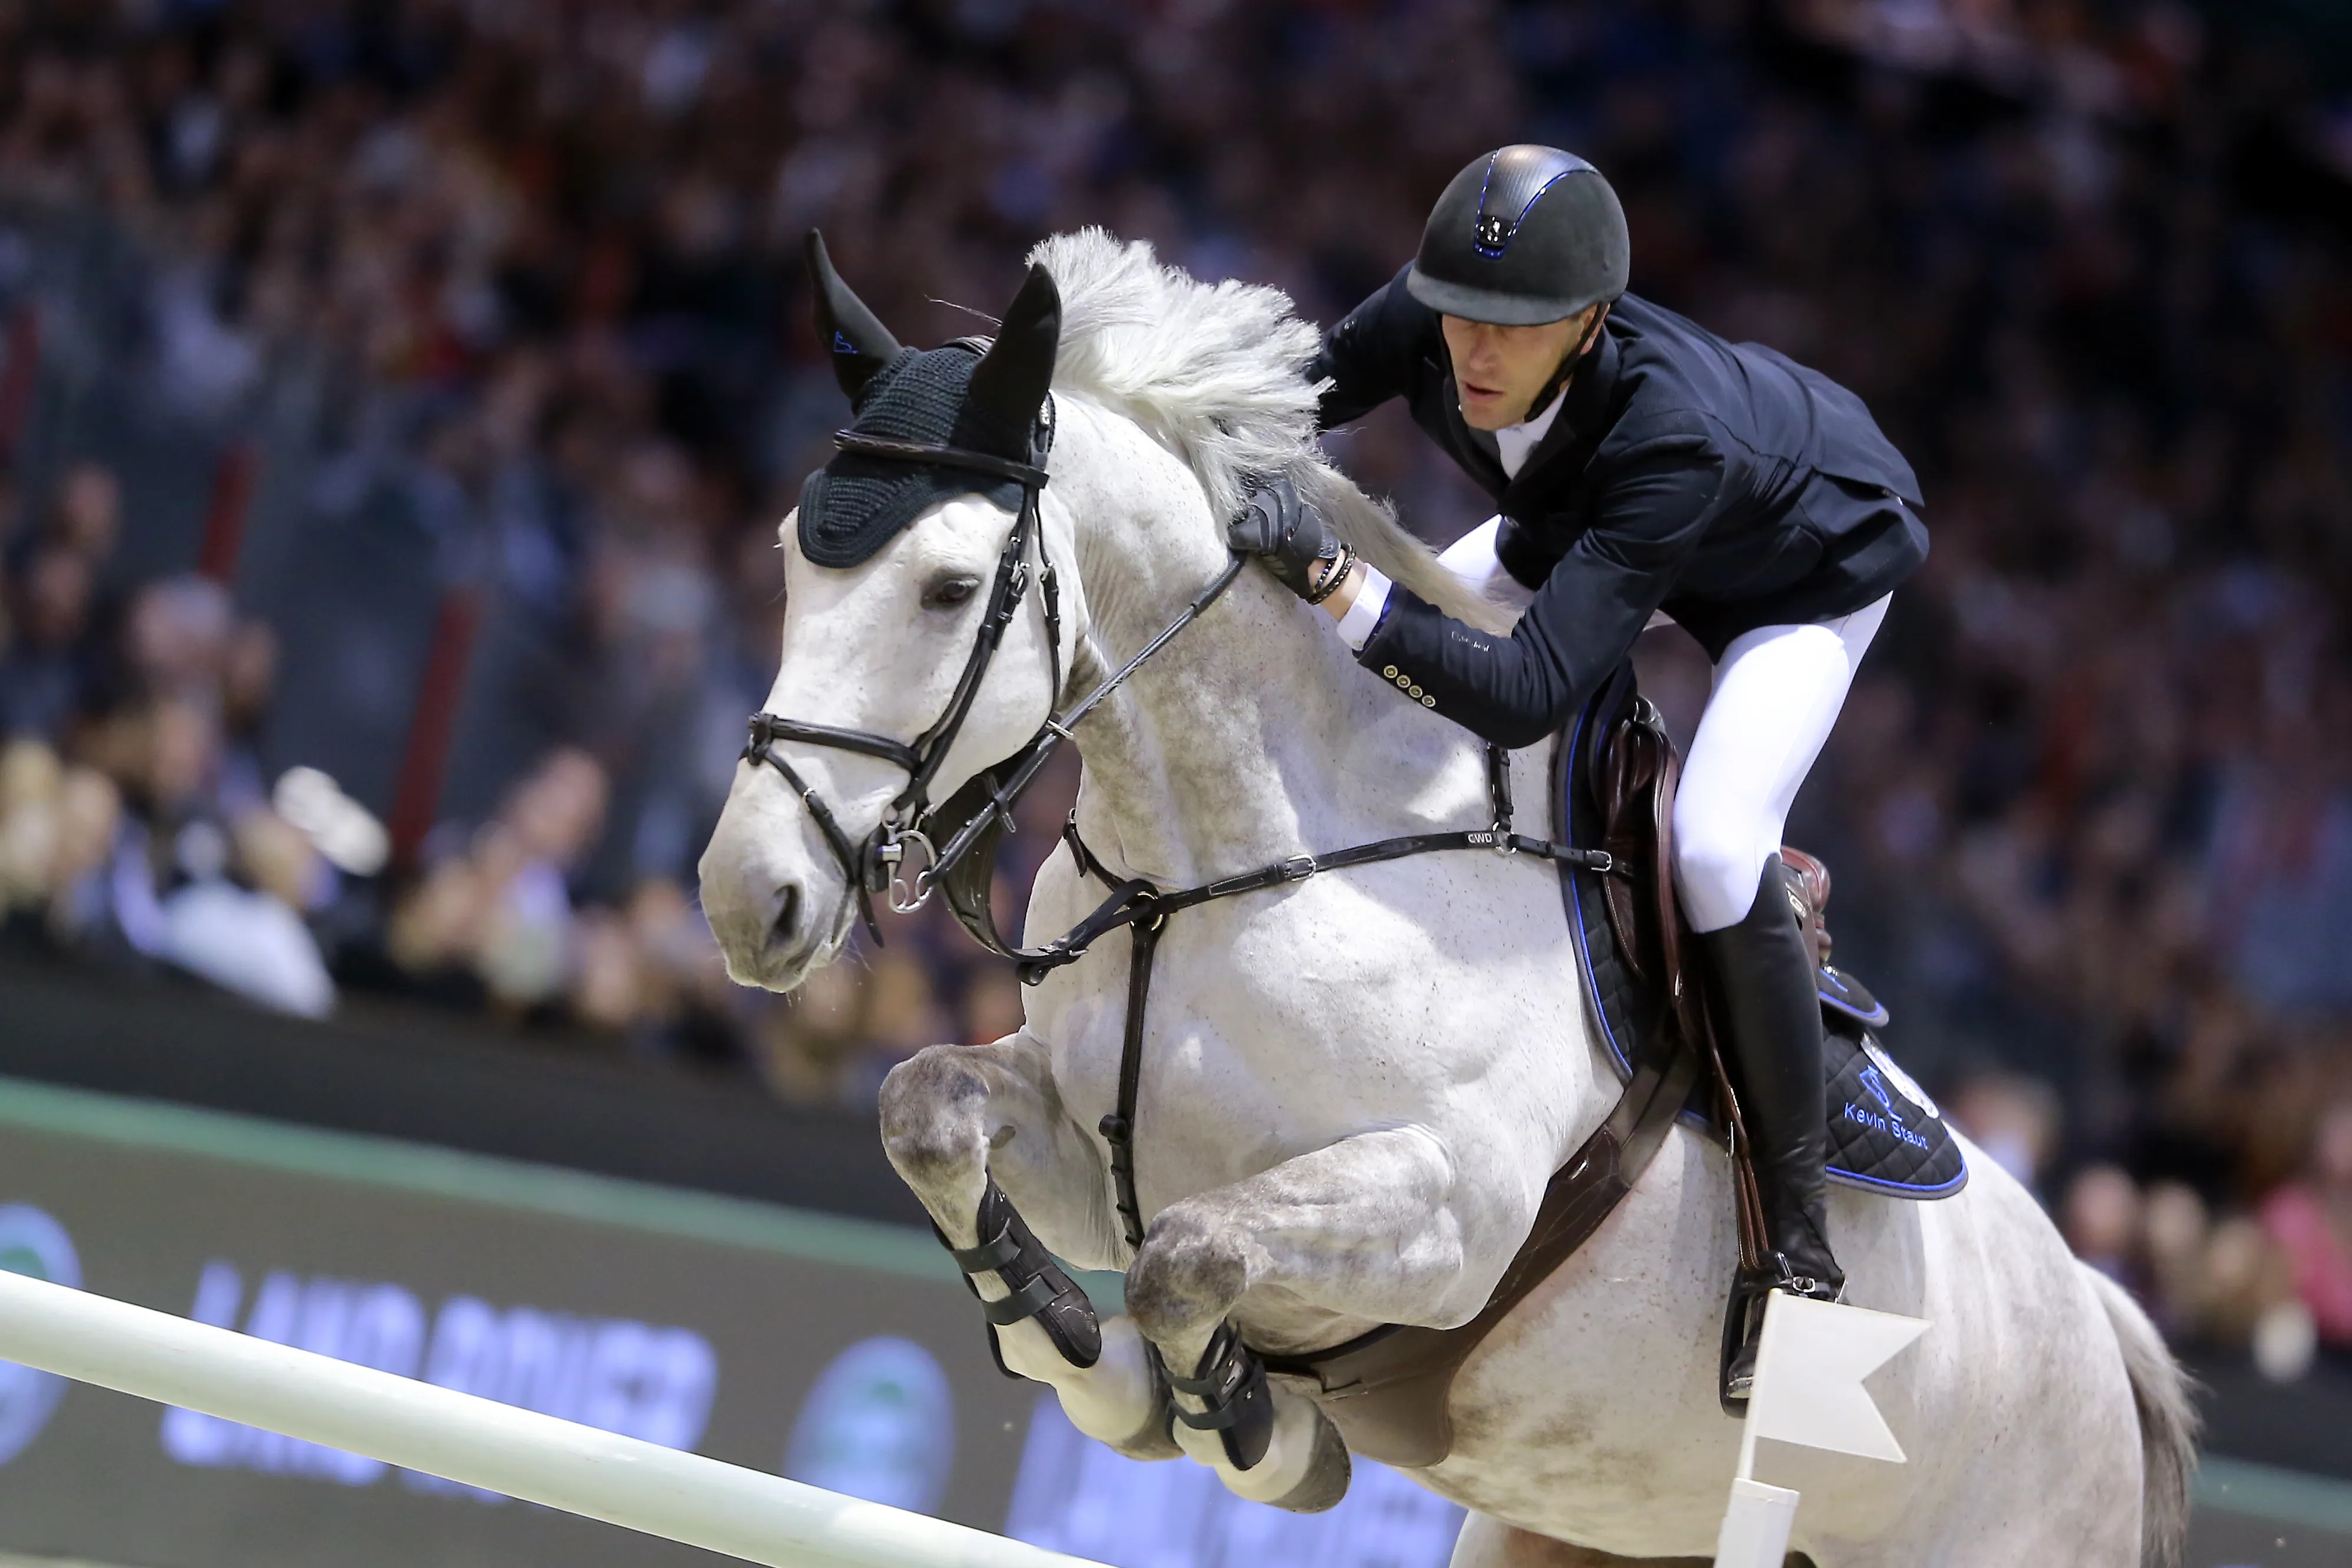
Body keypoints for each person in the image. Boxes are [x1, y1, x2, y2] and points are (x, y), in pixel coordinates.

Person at [1229, 145, 1928, 1407]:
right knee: (1372, 686)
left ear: (1591, 322)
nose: (1473, 355)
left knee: (1717, 841)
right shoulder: (1430, 315)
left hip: (1802, 568)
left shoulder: (1672, 436)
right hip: (1589, 524)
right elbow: (1263, 401)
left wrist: (1335, 579)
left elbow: (1520, 694)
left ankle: (1799, 1244)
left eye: (1515, 329)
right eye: (1458, 319)